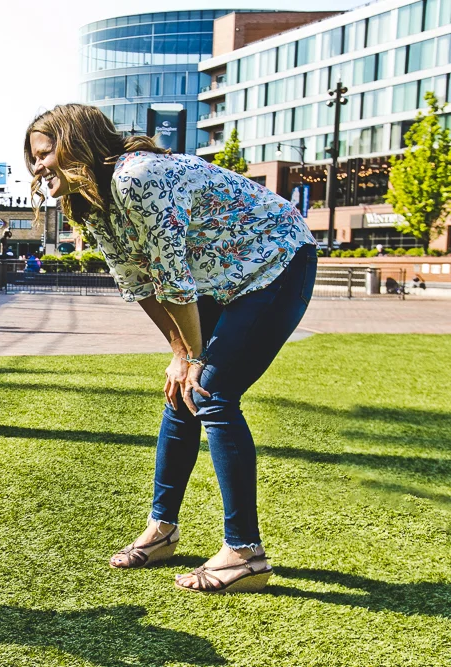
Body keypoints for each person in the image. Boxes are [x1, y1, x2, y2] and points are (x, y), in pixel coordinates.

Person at [25, 104, 318, 594]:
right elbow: (139, 284)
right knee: (181, 391)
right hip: (224, 278)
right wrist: (181, 353)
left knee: (212, 392)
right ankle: (162, 530)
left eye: (45, 152)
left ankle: (246, 554)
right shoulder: (88, 200)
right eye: (32, 158)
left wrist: (195, 357)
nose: (37, 166)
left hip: (277, 261)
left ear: (77, 143)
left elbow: (172, 278)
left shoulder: (136, 177)